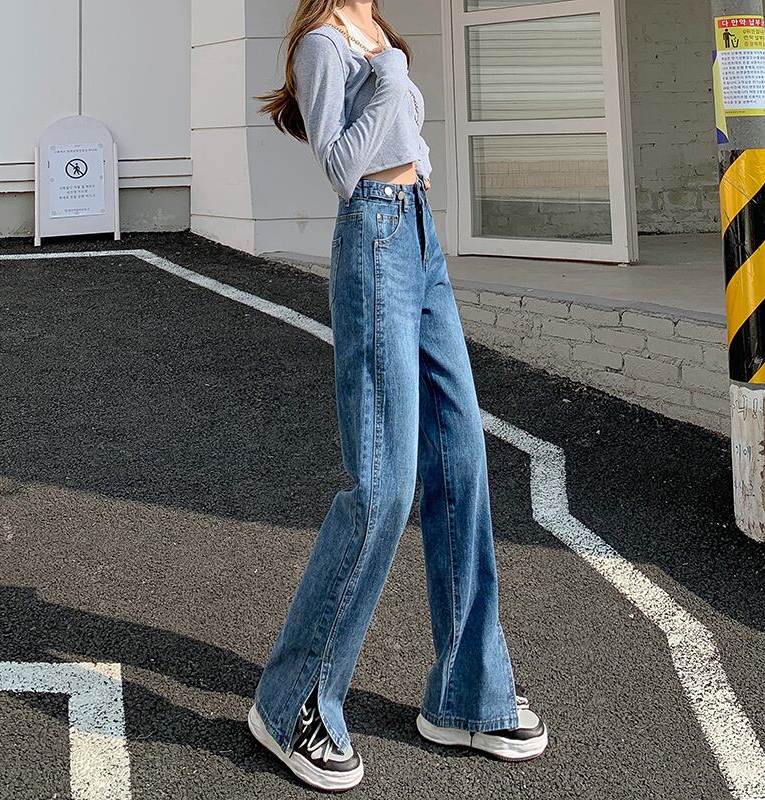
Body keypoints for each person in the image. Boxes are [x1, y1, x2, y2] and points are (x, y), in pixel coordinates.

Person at [248, 0, 548, 791]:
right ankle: (291, 702)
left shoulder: (379, 33)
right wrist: (386, 80)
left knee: (463, 461)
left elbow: (401, 134)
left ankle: (466, 695)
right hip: (374, 237)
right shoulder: (322, 45)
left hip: (418, 233)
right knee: (384, 485)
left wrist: (411, 135)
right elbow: (341, 169)